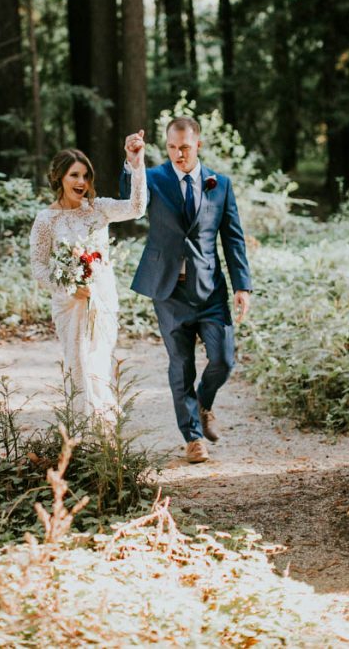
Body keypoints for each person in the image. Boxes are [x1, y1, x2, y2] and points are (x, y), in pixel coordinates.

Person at [121, 116, 252, 463]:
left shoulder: (219, 183)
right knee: (180, 365)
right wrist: (133, 163)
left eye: (186, 147)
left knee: (223, 359)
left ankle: (203, 402)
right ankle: (193, 437)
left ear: (199, 146)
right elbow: (128, 201)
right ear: (166, 147)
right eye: (173, 148)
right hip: (169, 290)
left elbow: (233, 237)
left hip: (210, 290)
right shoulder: (152, 179)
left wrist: (242, 285)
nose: (179, 154)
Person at [30, 135, 146, 419]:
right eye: (74, 175)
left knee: (98, 365)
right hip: (70, 306)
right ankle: (84, 435)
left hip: (102, 301)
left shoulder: (99, 209)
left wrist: (137, 164)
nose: (81, 182)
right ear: (59, 178)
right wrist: (69, 289)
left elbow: (137, 208)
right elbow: (39, 268)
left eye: (85, 175)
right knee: (79, 365)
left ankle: (103, 435)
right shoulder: (46, 220)